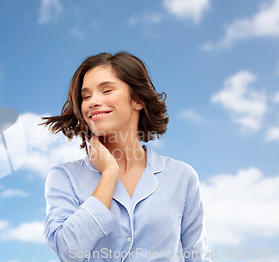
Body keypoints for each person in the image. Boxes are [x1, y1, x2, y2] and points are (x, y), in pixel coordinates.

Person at [39, 52, 211, 262]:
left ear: (137, 99)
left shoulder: (181, 176)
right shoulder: (65, 177)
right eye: (86, 96)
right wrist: (109, 175)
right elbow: (68, 250)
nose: (93, 102)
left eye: (106, 90)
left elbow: (196, 256)